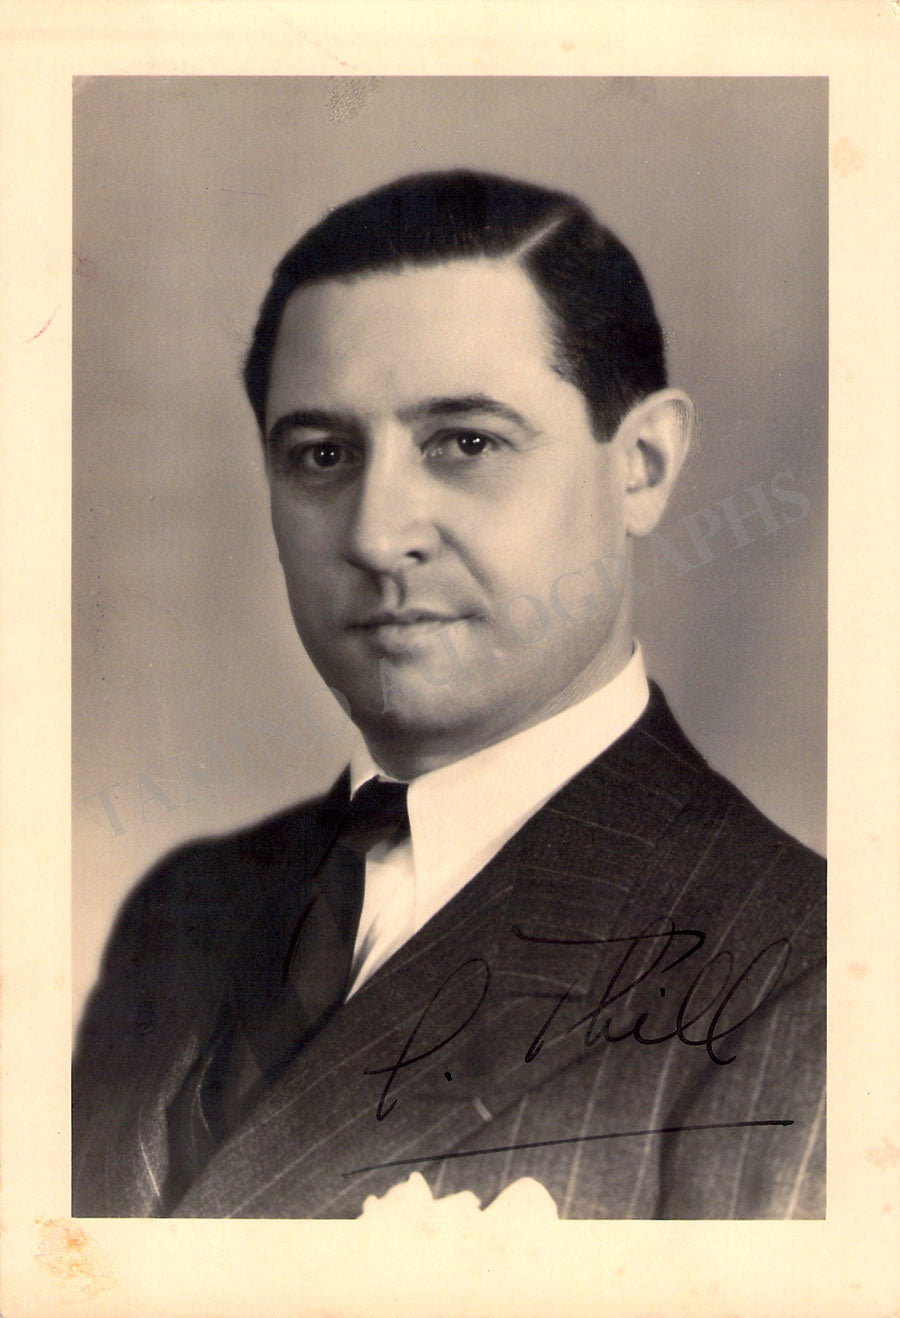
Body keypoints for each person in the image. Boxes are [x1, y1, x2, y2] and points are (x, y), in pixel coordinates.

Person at [72, 170, 825, 1220]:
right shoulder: (183, 909)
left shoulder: (807, 975)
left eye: (466, 442)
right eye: (322, 455)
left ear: (643, 466)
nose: (377, 536)